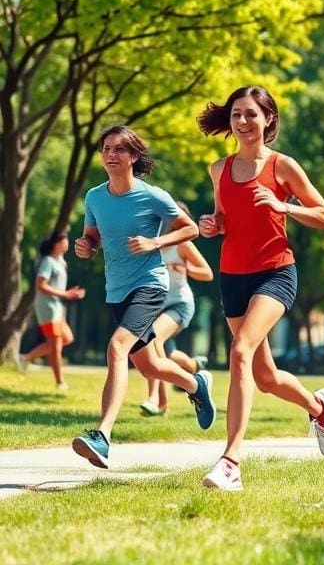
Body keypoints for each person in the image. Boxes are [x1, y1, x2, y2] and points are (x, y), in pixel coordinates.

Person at [197, 86, 324, 492]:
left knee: (239, 351)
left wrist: (284, 206)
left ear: (268, 120)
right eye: (237, 114)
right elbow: (225, 216)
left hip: (275, 272)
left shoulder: (282, 167)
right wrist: (213, 225)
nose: (243, 122)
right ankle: (318, 407)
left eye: (251, 115)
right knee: (265, 376)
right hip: (233, 275)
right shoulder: (218, 169)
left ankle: (230, 462)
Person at [71, 125, 216, 469]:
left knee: (116, 348)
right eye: (106, 148)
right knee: (149, 364)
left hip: (150, 286)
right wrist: (85, 247)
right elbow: (91, 237)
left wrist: (156, 243)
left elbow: (191, 228)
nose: (110, 154)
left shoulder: (153, 196)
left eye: (118, 149)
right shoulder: (94, 197)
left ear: (134, 156)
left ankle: (102, 437)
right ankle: (195, 384)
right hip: (116, 290)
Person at [139, 201, 215, 416]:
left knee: (152, 339)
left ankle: (158, 401)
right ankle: (192, 366)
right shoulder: (153, 241)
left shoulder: (183, 244)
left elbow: (207, 273)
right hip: (155, 306)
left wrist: (185, 267)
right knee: (167, 354)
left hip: (179, 304)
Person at [19, 232, 86, 389]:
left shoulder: (61, 263)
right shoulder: (48, 261)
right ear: (56, 244)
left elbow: (56, 286)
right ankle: (60, 382)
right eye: (64, 240)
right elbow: (40, 285)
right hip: (48, 308)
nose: (67, 243)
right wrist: (66, 294)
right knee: (55, 345)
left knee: (67, 338)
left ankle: (26, 357)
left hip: (57, 308)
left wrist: (69, 293)